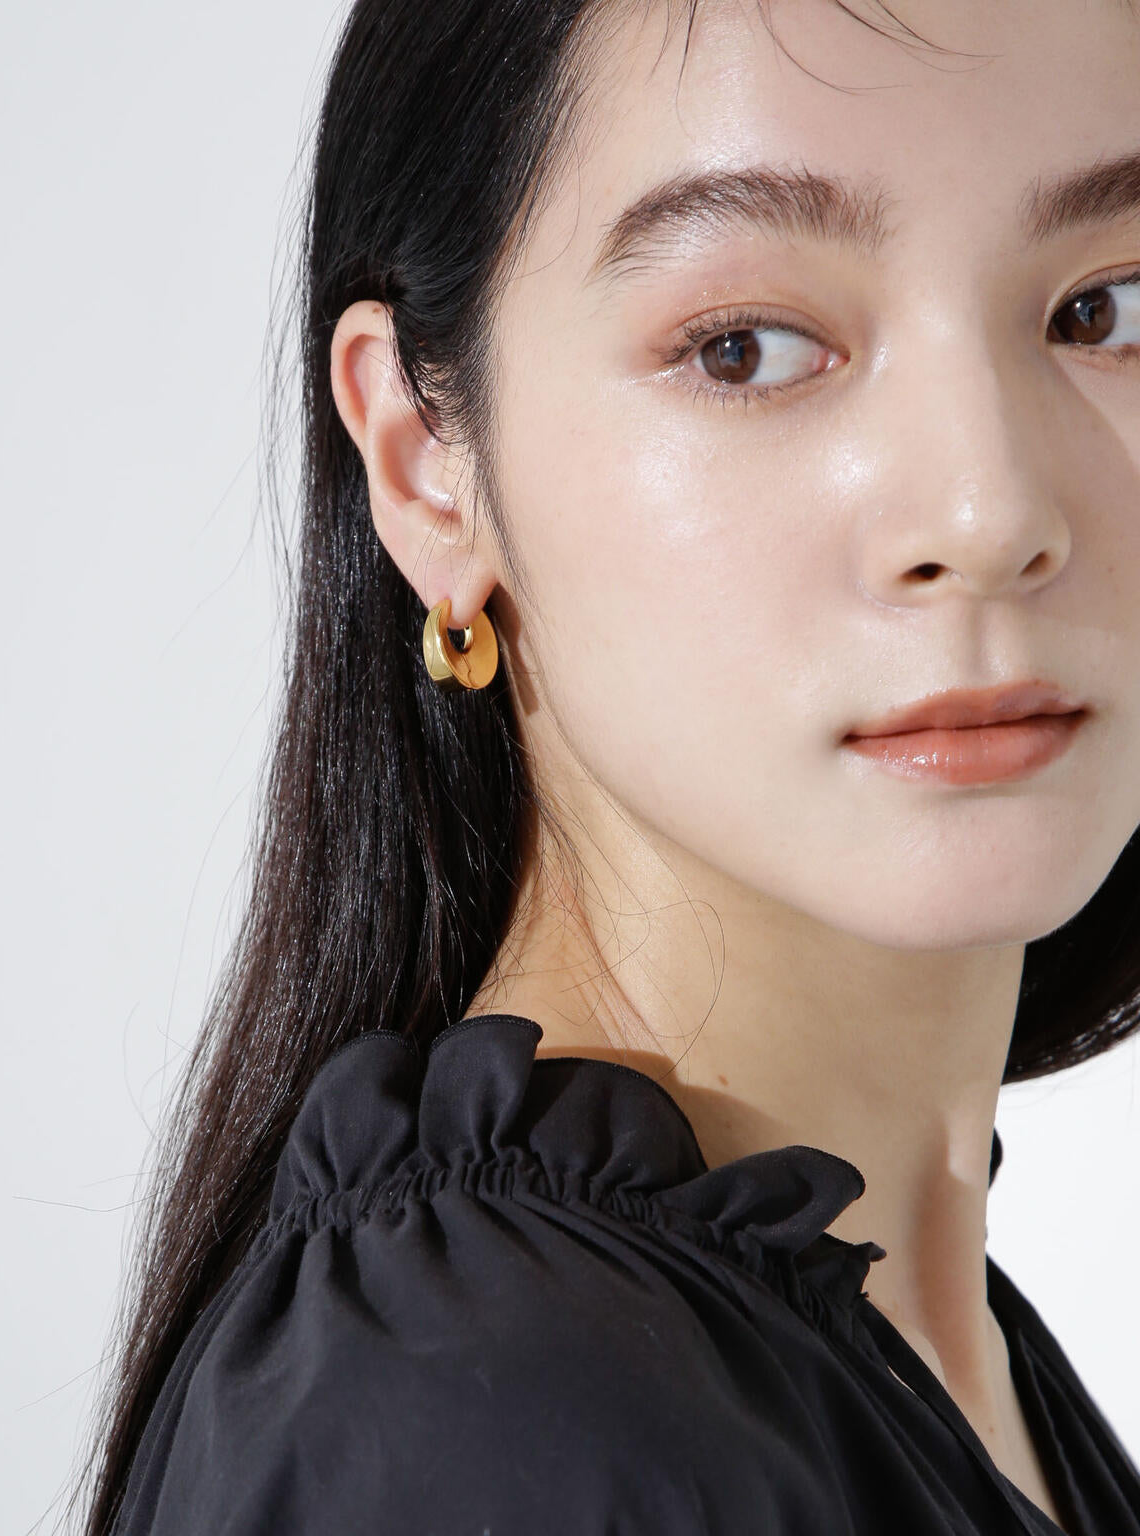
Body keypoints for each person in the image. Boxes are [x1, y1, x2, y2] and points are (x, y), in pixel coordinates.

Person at [73, 1, 1140, 1532]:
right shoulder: (476, 1424)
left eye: (1106, 310)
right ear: (425, 462)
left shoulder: (913, 1347)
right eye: (745, 349)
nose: (989, 512)